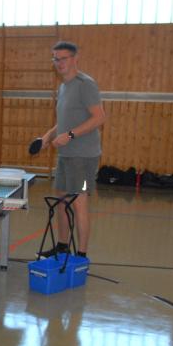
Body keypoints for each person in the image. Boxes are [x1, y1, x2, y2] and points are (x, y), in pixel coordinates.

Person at [38, 41, 106, 259]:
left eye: (64, 58)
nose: (59, 63)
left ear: (75, 59)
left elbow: (99, 118)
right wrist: (48, 136)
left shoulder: (86, 84)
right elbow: (66, 121)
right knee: (61, 203)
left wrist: (69, 135)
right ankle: (62, 246)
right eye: (56, 59)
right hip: (66, 155)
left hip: (83, 157)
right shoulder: (63, 86)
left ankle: (81, 255)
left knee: (79, 203)